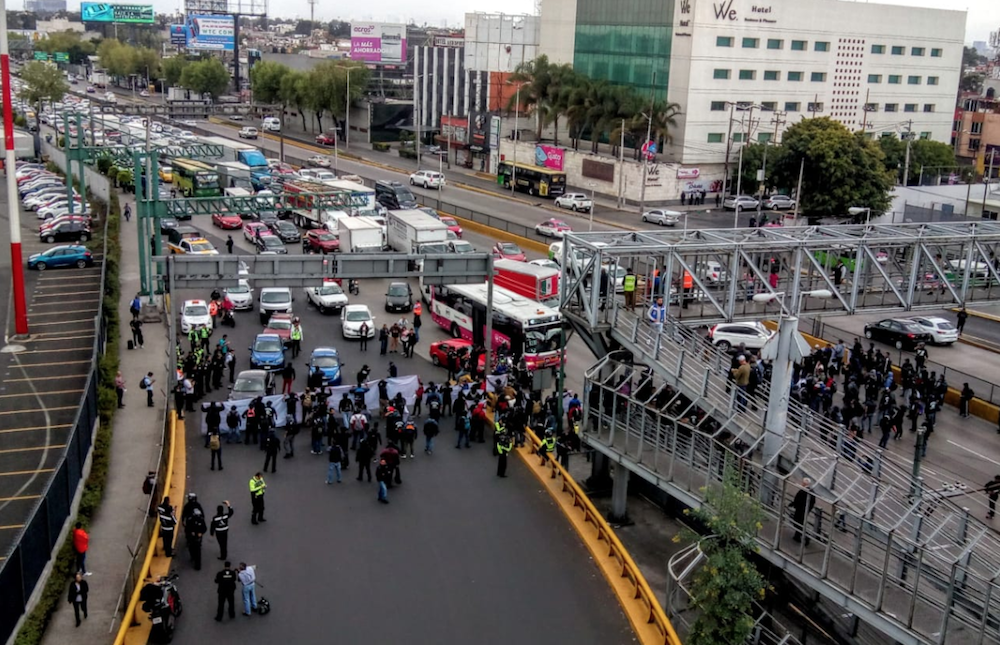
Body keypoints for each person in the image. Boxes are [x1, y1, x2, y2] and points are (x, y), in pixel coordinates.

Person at [790, 477, 816, 543]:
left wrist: (794, 504)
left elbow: (799, 499)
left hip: (801, 510)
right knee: (799, 523)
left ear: (804, 483)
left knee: (797, 522)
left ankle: (805, 537)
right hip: (803, 510)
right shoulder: (810, 491)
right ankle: (797, 536)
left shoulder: (805, 491)